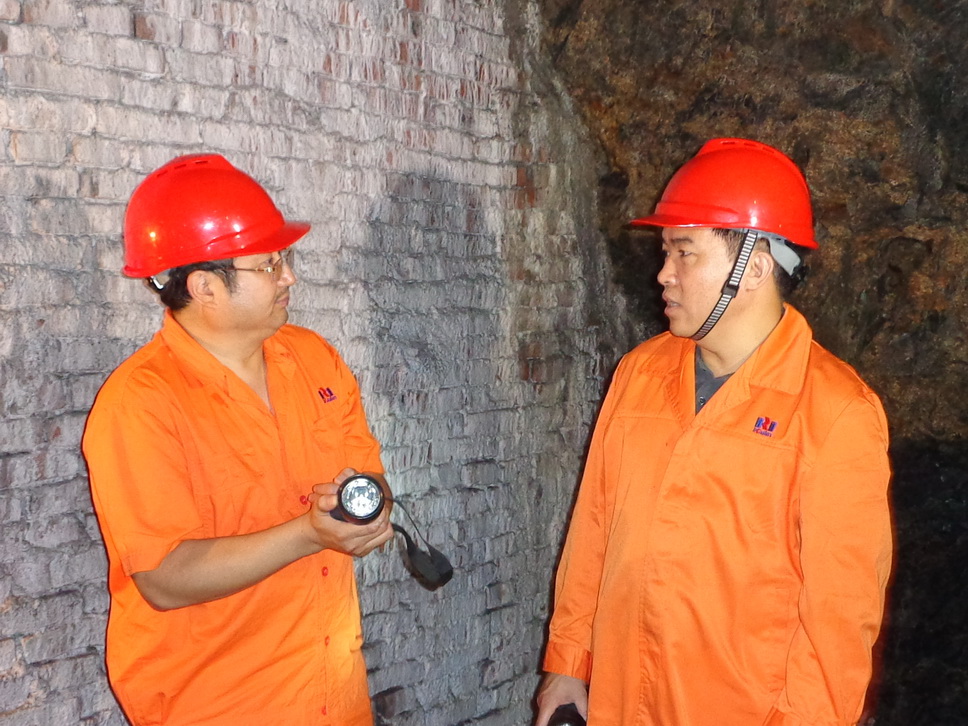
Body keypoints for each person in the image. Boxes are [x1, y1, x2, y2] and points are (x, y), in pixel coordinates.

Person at [535, 138, 893, 725]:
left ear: (753, 267)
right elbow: (594, 527)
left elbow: (837, 621)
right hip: (621, 705)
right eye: (666, 252)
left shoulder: (835, 412)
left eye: (685, 253)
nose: (663, 274)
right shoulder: (640, 374)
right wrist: (569, 664)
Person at [83, 154, 393, 726]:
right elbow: (164, 578)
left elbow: (369, 476)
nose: (289, 277)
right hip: (217, 707)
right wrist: (309, 533)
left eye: (284, 259)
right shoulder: (141, 403)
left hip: (334, 697)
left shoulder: (314, 359)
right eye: (269, 264)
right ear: (204, 286)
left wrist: (366, 509)